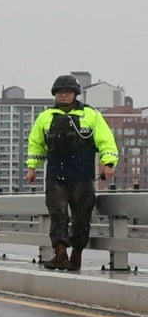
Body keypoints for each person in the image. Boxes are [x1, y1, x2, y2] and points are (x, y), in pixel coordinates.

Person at [26, 74, 118, 271]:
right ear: (54, 95)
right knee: (57, 215)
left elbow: (106, 140)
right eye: (60, 92)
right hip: (55, 176)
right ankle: (60, 253)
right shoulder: (45, 117)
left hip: (82, 176)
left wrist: (108, 163)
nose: (64, 95)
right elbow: (36, 144)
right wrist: (32, 167)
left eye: (67, 92)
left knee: (81, 217)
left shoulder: (91, 115)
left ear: (75, 94)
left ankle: (76, 255)